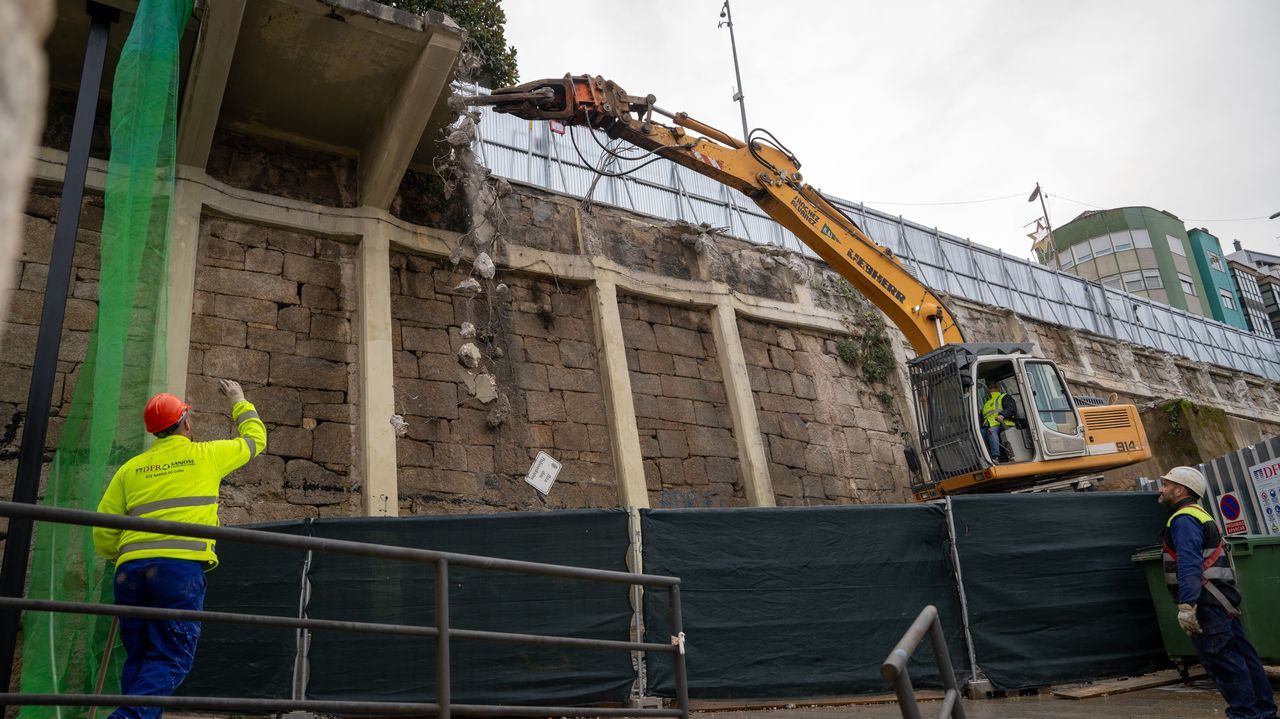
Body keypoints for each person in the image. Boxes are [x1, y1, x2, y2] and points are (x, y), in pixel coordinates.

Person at [94, 379, 267, 719]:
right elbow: (255, 440)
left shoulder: (130, 469)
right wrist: (239, 400)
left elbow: (103, 529)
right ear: (186, 422)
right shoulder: (206, 455)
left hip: (129, 571)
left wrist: (123, 554)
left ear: (153, 432)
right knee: (172, 655)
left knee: (141, 657)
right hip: (177, 570)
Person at [1157, 466, 1277, 719]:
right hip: (1222, 601)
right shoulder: (1201, 515)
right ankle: (1265, 713)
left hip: (1205, 603)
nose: (1161, 489)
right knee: (1244, 658)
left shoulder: (1183, 519)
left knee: (1224, 663)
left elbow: (1188, 563)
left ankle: (1246, 715)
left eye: (1166, 485)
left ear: (1180, 490)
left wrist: (1187, 605)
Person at [980, 383, 1016, 462]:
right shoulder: (986, 404)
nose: (990, 390)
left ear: (997, 389)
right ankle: (983, 457)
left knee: (991, 431)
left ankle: (995, 456)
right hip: (988, 425)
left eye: (992, 388)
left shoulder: (1004, 397)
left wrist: (1002, 415)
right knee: (979, 434)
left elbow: (1011, 409)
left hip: (1003, 423)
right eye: (989, 388)